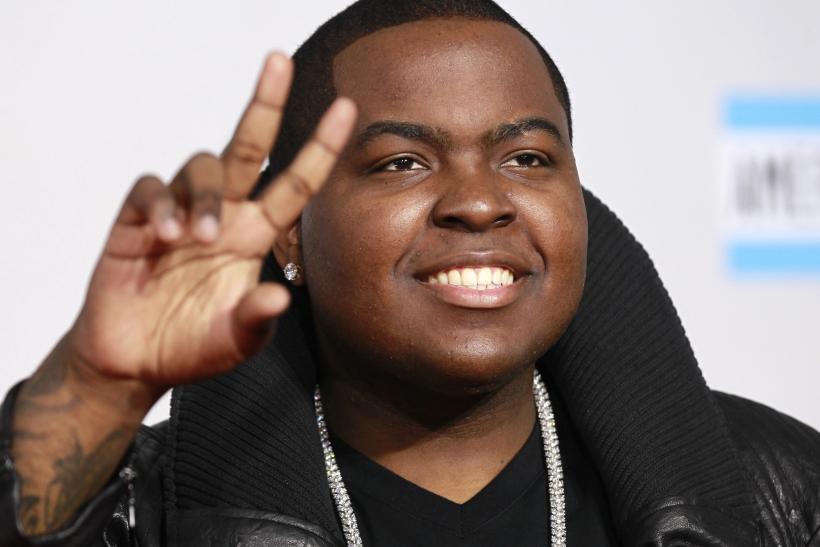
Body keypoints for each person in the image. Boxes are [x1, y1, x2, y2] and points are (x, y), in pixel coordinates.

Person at [2, 1, 819, 545]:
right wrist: (97, 384)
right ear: (289, 234)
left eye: (528, 158)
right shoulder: (145, 512)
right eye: (401, 162)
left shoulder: (782, 492)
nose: (479, 202)